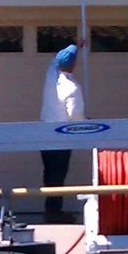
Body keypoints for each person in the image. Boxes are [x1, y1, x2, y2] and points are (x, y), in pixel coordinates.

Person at [40, 42, 83, 202]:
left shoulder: (51, 75)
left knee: (49, 174)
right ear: (73, 65)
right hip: (60, 139)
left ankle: (50, 210)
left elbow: (54, 60)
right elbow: (75, 115)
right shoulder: (72, 88)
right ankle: (54, 213)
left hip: (43, 137)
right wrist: (88, 122)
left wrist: (76, 46)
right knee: (58, 177)